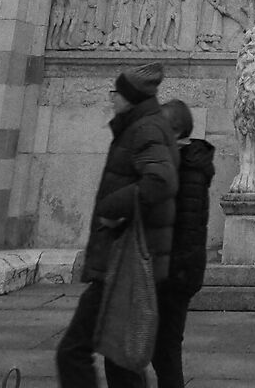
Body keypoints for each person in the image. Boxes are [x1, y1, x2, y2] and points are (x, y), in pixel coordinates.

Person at [53, 63, 178, 388]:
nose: (112, 99)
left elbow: (161, 180)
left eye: (116, 93)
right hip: (123, 260)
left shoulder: (145, 129)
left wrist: (112, 208)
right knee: (120, 360)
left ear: (129, 97)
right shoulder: (141, 126)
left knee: (73, 350)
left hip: (124, 262)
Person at [153, 99, 217, 388]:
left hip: (175, 271)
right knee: (164, 349)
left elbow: (185, 226)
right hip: (179, 269)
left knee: (163, 350)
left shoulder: (181, 168)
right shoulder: (191, 163)